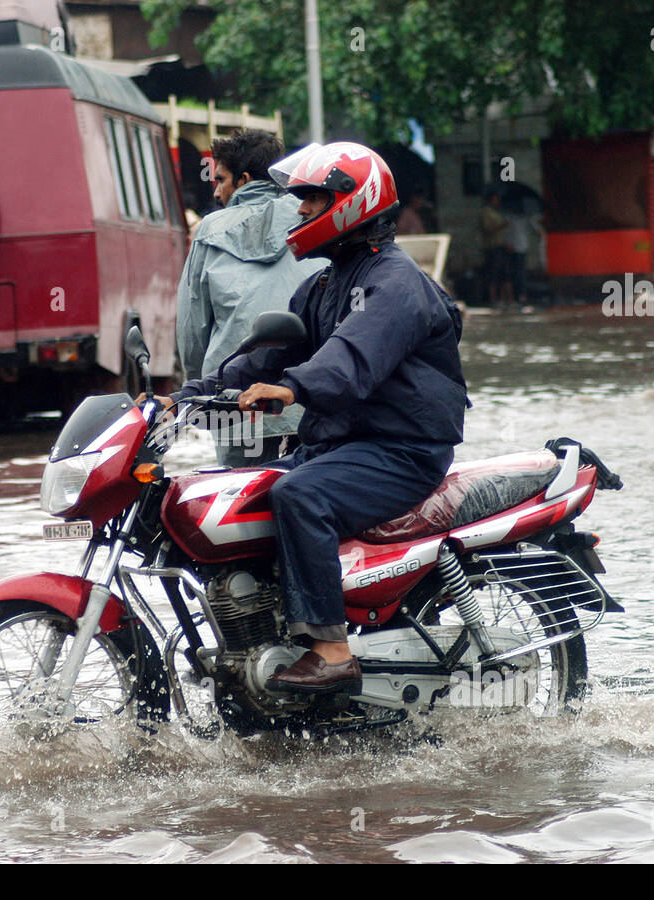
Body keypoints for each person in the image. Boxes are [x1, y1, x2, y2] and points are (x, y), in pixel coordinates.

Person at [153, 142, 468, 695]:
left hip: (401, 450)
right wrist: (185, 397)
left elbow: (350, 359)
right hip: (341, 445)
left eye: (312, 199)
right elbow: (261, 359)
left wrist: (291, 388)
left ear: (354, 202)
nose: (298, 211)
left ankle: (330, 649)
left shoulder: (393, 283)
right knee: (237, 490)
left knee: (302, 496)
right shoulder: (323, 285)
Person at [177, 130, 326, 465]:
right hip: (308, 396)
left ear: (243, 180)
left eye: (221, 181)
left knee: (236, 499)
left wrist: (200, 390)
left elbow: (192, 327)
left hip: (234, 399)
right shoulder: (315, 219)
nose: (216, 192)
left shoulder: (209, 231)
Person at [479, 188, 508, 305]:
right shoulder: (486, 212)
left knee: (502, 273)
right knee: (493, 273)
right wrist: (501, 225)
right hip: (491, 247)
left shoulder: (496, 212)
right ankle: (493, 298)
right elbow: (488, 229)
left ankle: (503, 298)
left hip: (500, 246)